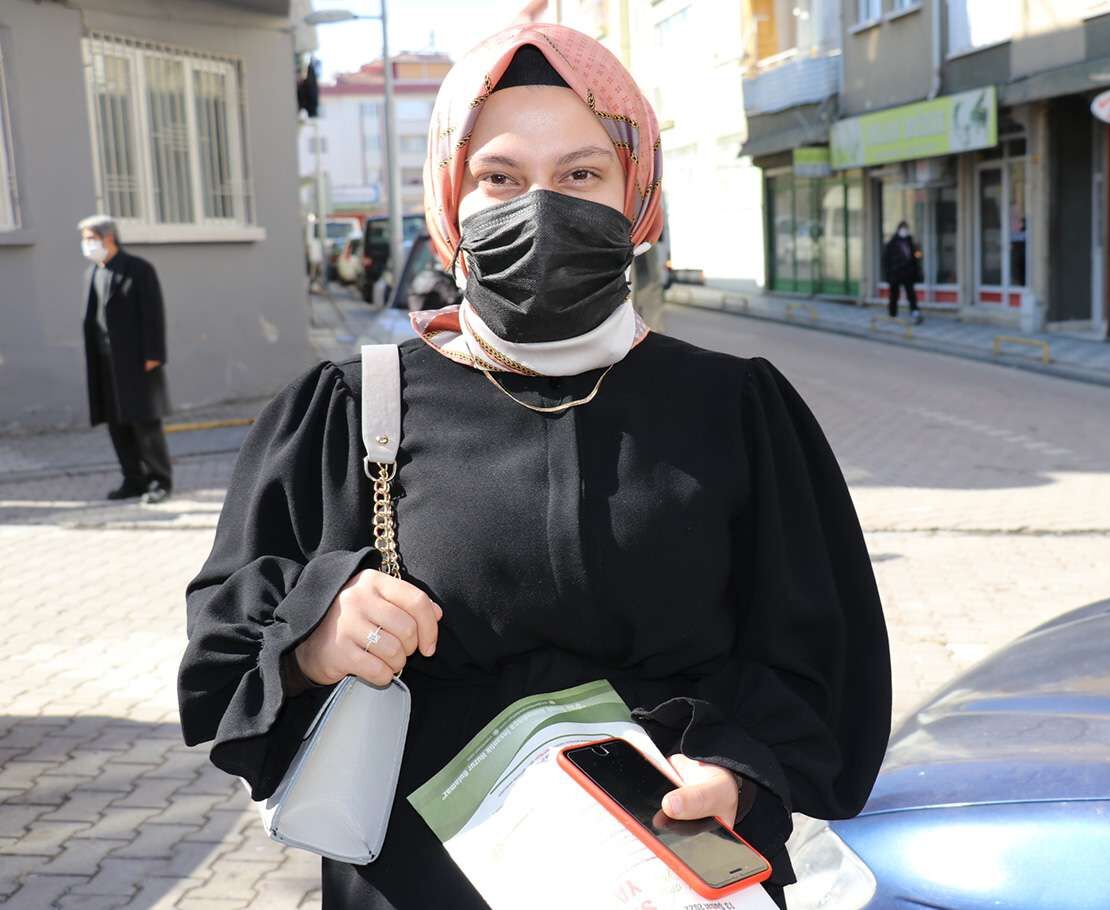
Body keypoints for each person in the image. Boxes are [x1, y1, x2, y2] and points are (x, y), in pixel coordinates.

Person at [176, 24, 891, 910]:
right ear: (450, 198)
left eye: (582, 175)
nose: (542, 209)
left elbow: (820, 661)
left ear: (638, 192)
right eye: (500, 178)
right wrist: (315, 641)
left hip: (671, 870)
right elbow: (222, 655)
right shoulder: (353, 408)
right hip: (426, 878)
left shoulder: (737, 407)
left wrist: (740, 772)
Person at [79, 215, 173, 504]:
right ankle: (133, 478)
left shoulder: (138, 269)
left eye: (90, 238)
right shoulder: (93, 273)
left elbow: (153, 314)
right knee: (116, 423)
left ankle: (159, 480)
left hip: (136, 361)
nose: (86, 244)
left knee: (145, 423)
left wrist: (153, 355)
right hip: (104, 361)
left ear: (108, 238)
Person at [881, 220, 924, 323]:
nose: (904, 231)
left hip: (908, 273)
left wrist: (917, 257)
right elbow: (886, 260)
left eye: (906, 229)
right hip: (895, 274)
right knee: (894, 295)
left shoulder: (910, 242)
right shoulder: (892, 243)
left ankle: (915, 312)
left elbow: (915, 257)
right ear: (898, 230)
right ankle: (892, 313)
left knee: (911, 294)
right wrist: (889, 274)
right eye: (903, 228)